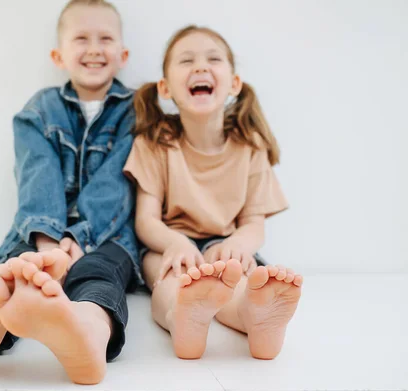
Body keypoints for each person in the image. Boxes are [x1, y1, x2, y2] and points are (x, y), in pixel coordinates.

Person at [0, 0, 140, 385]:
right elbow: (38, 172)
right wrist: (49, 243)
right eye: (81, 38)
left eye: (105, 38)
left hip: (106, 235)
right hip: (40, 233)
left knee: (99, 276)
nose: (94, 48)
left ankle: (86, 332)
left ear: (123, 54)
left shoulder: (136, 111)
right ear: (59, 54)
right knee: (16, 272)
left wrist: (79, 238)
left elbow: (119, 180)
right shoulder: (41, 109)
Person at [124, 25, 303, 361]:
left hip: (226, 244)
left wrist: (235, 245)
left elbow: (254, 224)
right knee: (171, 279)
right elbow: (146, 220)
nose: (201, 67)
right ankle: (182, 317)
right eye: (186, 60)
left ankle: (254, 318)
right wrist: (177, 244)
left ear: (234, 83)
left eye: (213, 59)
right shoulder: (154, 143)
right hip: (171, 244)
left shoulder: (250, 146)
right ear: (165, 88)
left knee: (240, 281)